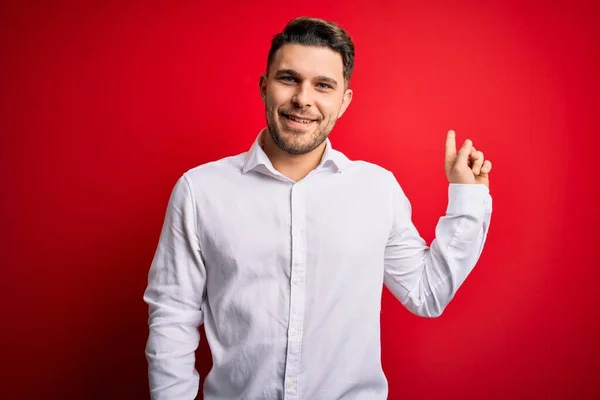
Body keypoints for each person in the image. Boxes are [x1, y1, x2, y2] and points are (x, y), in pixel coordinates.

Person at [143, 16, 493, 400]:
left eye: (323, 85)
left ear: (344, 101)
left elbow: (427, 295)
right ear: (264, 87)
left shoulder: (377, 189)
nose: (303, 99)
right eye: (289, 79)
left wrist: (467, 199)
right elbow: (172, 316)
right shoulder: (200, 190)